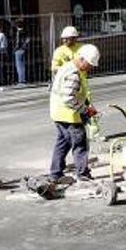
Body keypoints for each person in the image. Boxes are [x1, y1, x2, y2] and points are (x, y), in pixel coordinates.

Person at [49, 43, 100, 184]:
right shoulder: (74, 74)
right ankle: (83, 174)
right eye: (89, 64)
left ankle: (55, 174)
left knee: (62, 143)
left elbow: (76, 93)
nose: (90, 68)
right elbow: (68, 98)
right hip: (69, 116)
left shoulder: (67, 67)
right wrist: (84, 110)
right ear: (82, 59)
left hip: (58, 114)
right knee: (80, 144)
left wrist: (87, 105)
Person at [12, 19, 31, 86]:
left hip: (19, 50)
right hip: (23, 49)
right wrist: (24, 45)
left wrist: (18, 47)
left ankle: (21, 81)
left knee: (19, 66)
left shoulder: (18, 32)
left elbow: (17, 42)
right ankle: (22, 80)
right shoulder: (25, 31)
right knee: (22, 66)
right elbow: (28, 39)